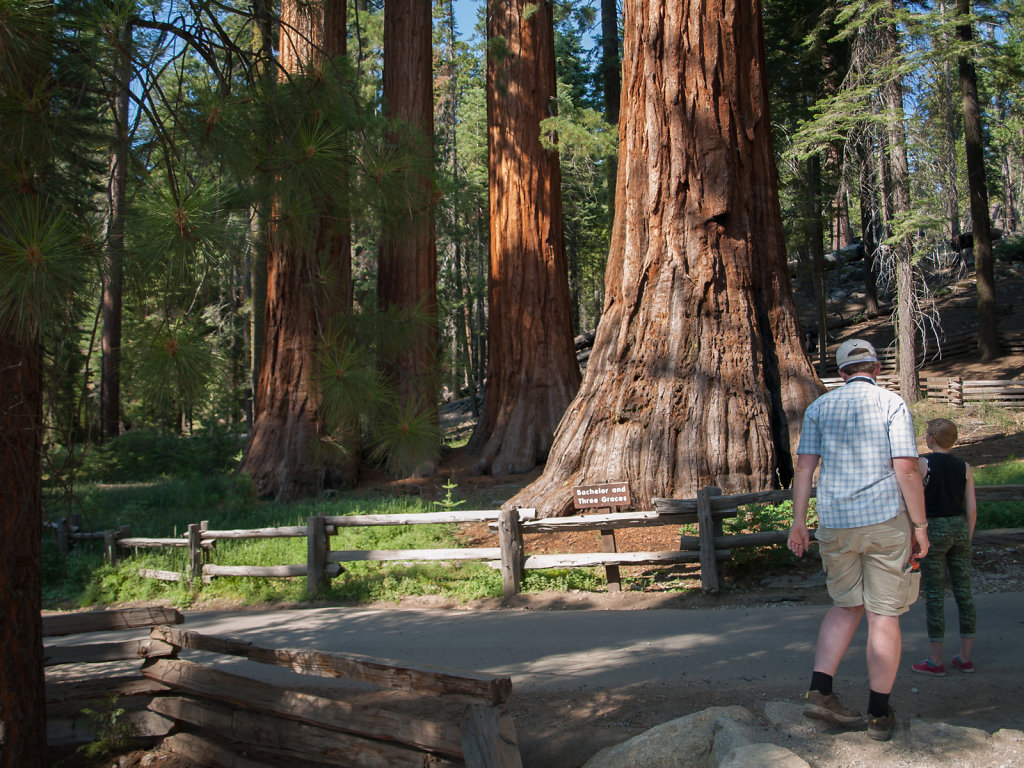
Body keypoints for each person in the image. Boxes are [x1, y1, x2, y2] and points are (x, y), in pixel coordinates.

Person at [787, 339, 930, 742]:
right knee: (883, 615)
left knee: (845, 606)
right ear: (878, 367)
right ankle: (878, 714)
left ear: (841, 372)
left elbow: (804, 468)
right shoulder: (891, 404)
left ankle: (821, 690)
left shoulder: (818, 408)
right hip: (885, 520)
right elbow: (906, 469)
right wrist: (920, 525)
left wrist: (799, 521)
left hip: (835, 522)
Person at [911, 418, 977, 676]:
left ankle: (935, 660)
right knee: (964, 591)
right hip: (959, 528)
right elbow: (971, 508)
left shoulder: (923, 464)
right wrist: (967, 536)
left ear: (931, 438)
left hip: (934, 529)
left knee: (935, 594)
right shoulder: (964, 467)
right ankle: (965, 656)